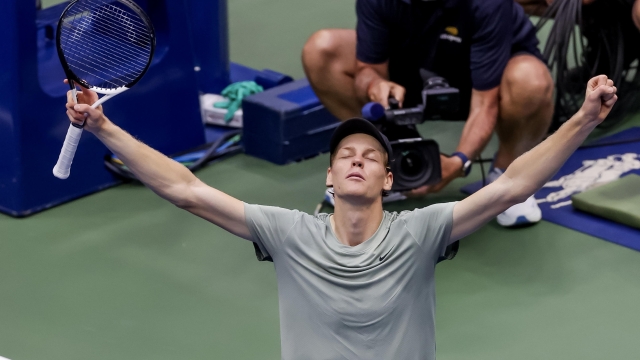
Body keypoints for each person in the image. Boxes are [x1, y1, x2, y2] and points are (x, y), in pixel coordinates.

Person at [64, 75, 616, 359]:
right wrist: (104, 128)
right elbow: (186, 189)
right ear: (329, 179)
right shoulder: (288, 233)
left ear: (388, 180)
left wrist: (585, 118)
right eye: (345, 156)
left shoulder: (420, 232)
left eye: (370, 156)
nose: (356, 159)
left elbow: (513, 186)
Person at [302, 0, 554, 227]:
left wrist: (459, 161)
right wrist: (373, 84)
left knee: (530, 81)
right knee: (322, 50)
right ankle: (394, 163)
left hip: (489, 82)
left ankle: (507, 176)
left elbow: (484, 105)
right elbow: (368, 68)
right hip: (416, 69)